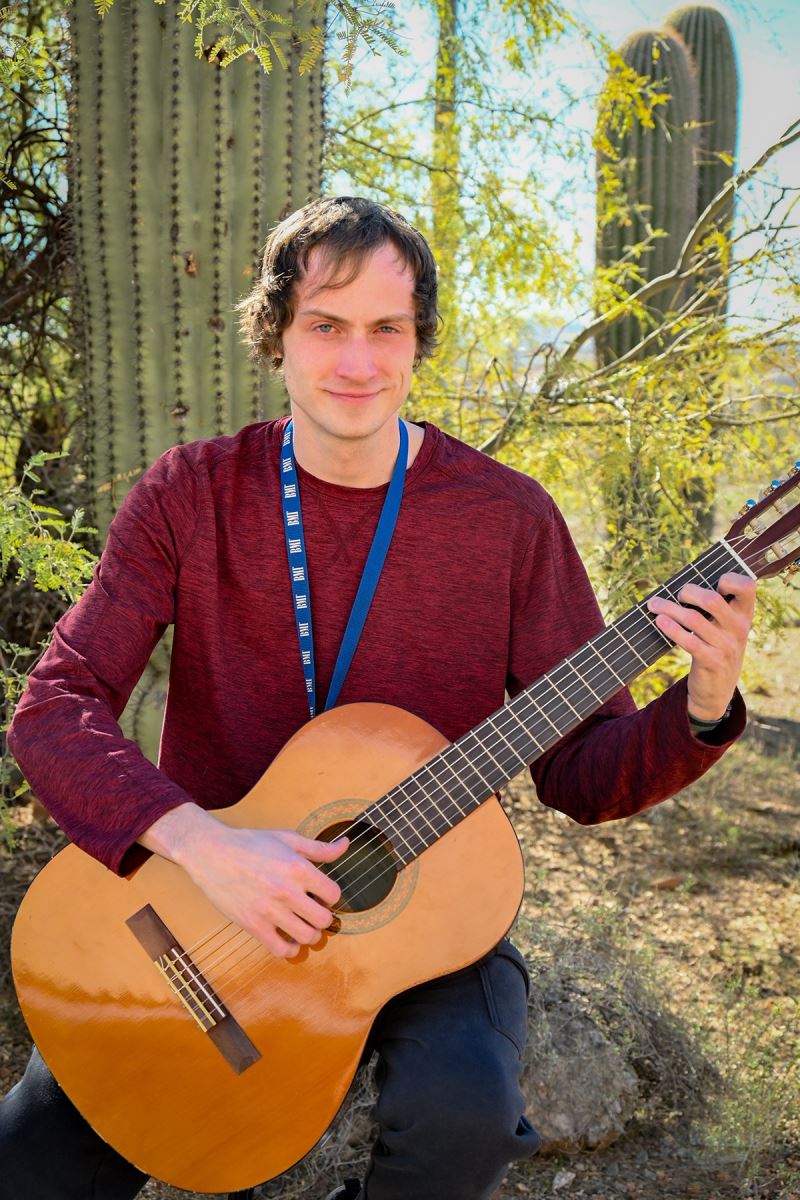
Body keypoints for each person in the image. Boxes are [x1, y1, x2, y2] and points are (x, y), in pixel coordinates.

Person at [1, 196, 755, 1200]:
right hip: (187, 911)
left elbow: (580, 771)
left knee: (462, 1121)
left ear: (417, 342)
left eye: (385, 330)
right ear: (275, 334)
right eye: (325, 325)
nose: (356, 362)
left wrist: (701, 701)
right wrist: (207, 848)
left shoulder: (507, 519)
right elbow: (54, 706)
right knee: (32, 1168)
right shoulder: (191, 493)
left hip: (419, 925)